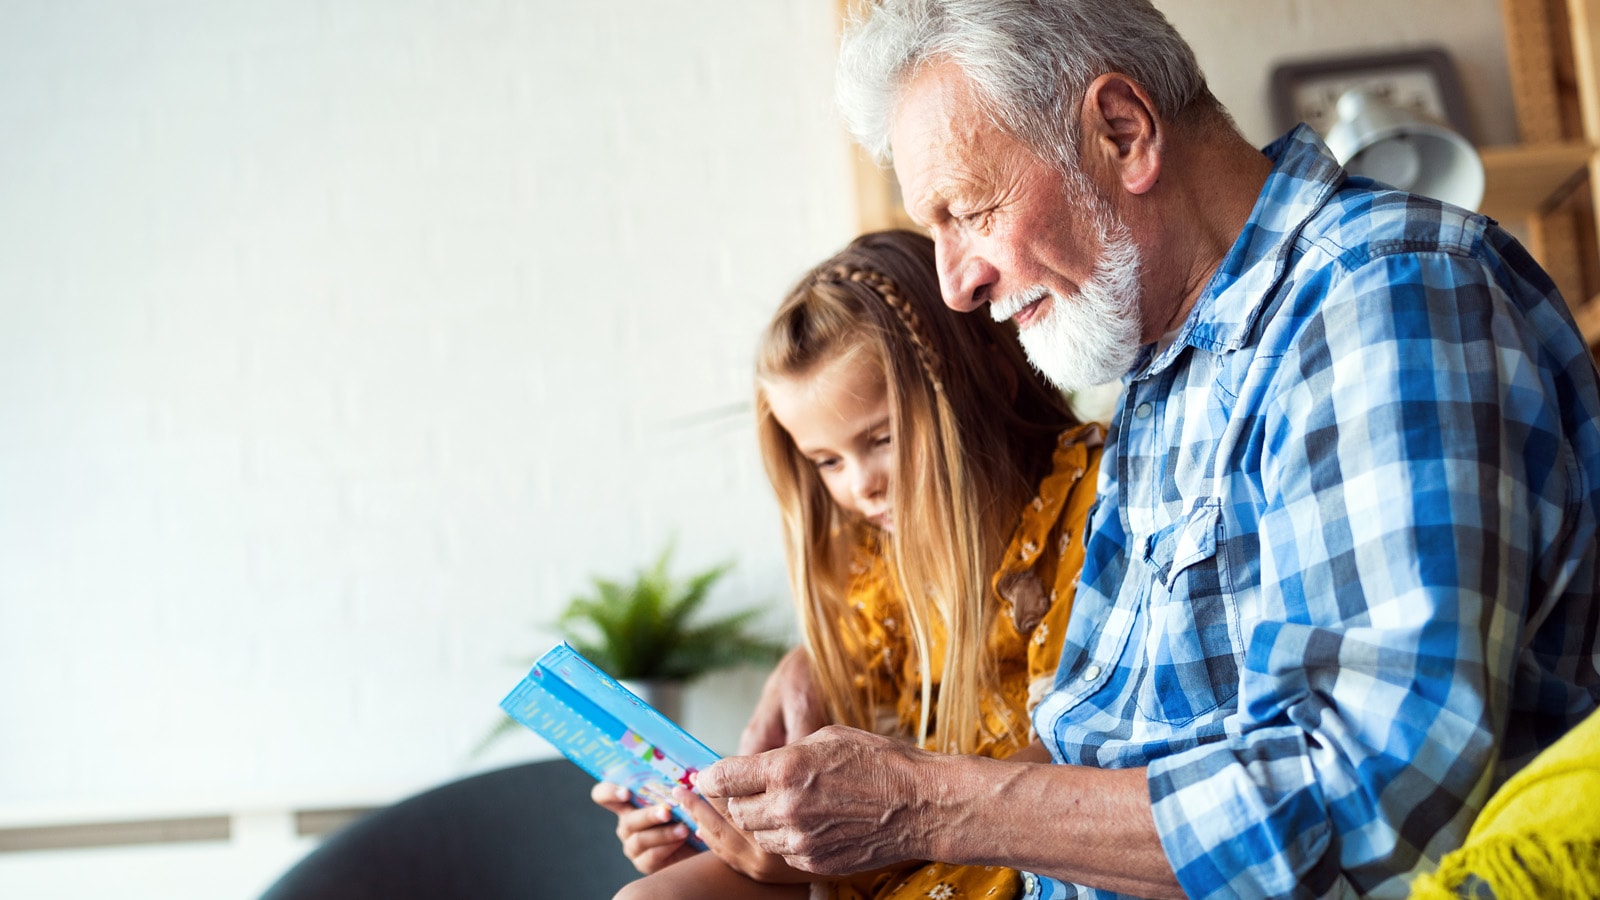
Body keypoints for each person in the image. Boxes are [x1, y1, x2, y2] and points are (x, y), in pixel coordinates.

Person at [696, 2, 1600, 899]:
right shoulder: (1168, 361)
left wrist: (927, 804)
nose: (956, 284)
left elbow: (1370, 799)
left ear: (1124, 133)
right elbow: (1096, 735)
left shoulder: (1383, 303)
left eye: (970, 210)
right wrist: (821, 762)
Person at [593, 229, 1104, 900]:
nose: (859, 486)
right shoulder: (871, 570)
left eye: (883, 439)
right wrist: (713, 826)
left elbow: (1080, 761)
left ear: (990, 381)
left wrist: (818, 859)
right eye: (827, 461)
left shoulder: (1092, 504)